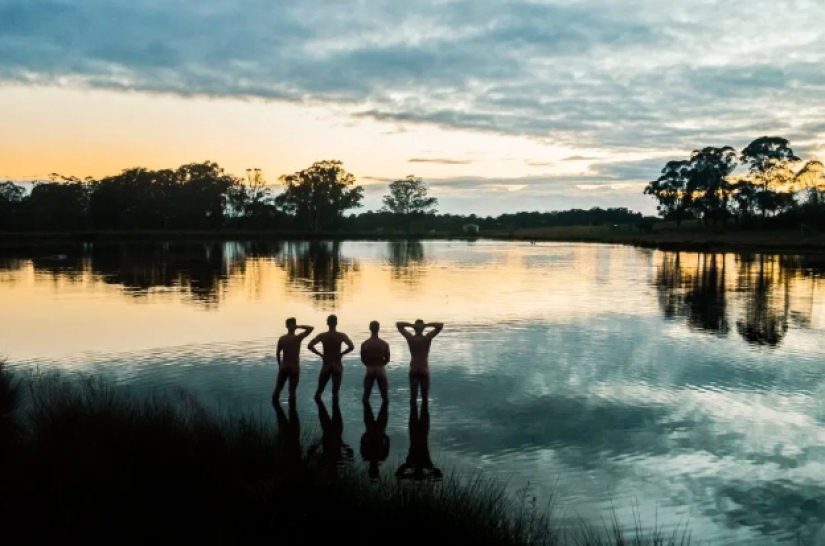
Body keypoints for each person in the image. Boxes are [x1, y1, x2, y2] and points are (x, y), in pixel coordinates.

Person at [308, 314, 354, 401]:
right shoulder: (341, 335)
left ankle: (321, 411)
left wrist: (320, 354)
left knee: (319, 392)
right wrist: (341, 354)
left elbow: (310, 346)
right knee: (335, 393)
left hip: (327, 365)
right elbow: (351, 346)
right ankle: (336, 411)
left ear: (327, 323)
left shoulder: (322, 335)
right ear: (336, 323)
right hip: (337, 365)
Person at [396, 319, 443, 404]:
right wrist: (426, 325)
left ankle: (412, 415)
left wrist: (412, 325)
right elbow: (440, 325)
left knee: (413, 398)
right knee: (425, 399)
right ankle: (425, 415)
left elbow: (399, 325)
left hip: (413, 368)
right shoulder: (427, 338)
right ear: (422, 328)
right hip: (424, 368)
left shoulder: (410, 338)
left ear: (415, 328)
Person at [273, 318, 314, 402]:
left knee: (278, 389)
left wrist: (279, 366)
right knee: (292, 392)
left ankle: (276, 407)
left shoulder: (282, 339)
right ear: (294, 326)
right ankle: (292, 411)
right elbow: (311, 328)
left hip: (284, 366)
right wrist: (298, 326)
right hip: (294, 367)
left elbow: (277, 354)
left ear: (286, 326)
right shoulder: (298, 338)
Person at [360, 320, 390, 403]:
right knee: (385, 398)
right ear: (378, 329)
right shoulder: (384, 344)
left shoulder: (365, 344)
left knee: (366, 397)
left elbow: (363, 359)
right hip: (380, 369)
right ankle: (384, 414)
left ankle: (366, 413)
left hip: (370, 369)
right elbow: (387, 359)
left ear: (370, 328)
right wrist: (380, 365)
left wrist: (369, 365)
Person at [360, 399, 389, 480]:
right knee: (384, 405)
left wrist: (365, 435)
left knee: (368, 406)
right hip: (378, 432)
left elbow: (362, 443)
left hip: (372, 431)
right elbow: (388, 444)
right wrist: (384, 436)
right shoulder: (381, 457)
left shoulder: (366, 456)